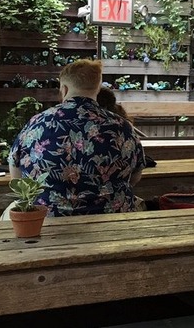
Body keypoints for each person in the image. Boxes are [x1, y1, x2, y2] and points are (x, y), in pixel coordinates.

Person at [8, 60, 146, 216]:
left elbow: (16, 174)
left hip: (47, 220)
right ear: (97, 89)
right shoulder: (122, 126)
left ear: (64, 89)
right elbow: (135, 176)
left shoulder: (37, 124)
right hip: (111, 220)